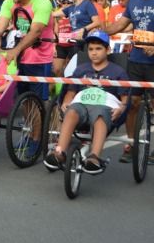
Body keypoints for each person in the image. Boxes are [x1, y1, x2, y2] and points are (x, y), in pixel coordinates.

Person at [43, 31, 128, 174]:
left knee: (99, 115)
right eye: (91, 49)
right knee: (71, 112)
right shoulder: (80, 69)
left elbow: (125, 98)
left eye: (98, 49)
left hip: (105, 104)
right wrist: (66, 102)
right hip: (81, 101)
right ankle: (60, 152)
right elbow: (71, 91)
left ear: (108, 50)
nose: (94, 53)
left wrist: (121, 108)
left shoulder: (118, 71)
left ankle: (94, 156)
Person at [104, 0, 154, 163]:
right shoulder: (133, 2)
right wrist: (100, 32)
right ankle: (132, 145)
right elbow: (120, 25)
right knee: (132, 104)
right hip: (135, 60)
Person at [0, 0, 55, 102]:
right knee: (24, 99)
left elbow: (35, 32)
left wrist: (16, 50)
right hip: (19, 58)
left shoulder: (42, 2)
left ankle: (45, 121)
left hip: (39, 59)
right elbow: (0, 26)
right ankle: (28, 123)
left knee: (38, 101)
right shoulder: (9, 2)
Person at [52, 0, 74, 77]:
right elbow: (55, 32)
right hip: (60, 45)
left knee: (71, 71)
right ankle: (58, 89)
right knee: (57, 70)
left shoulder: (74, 15)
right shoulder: (57, 16)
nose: (66, 4)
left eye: (68, 3)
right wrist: (54, 47)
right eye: (64, 3)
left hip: (72, 45)